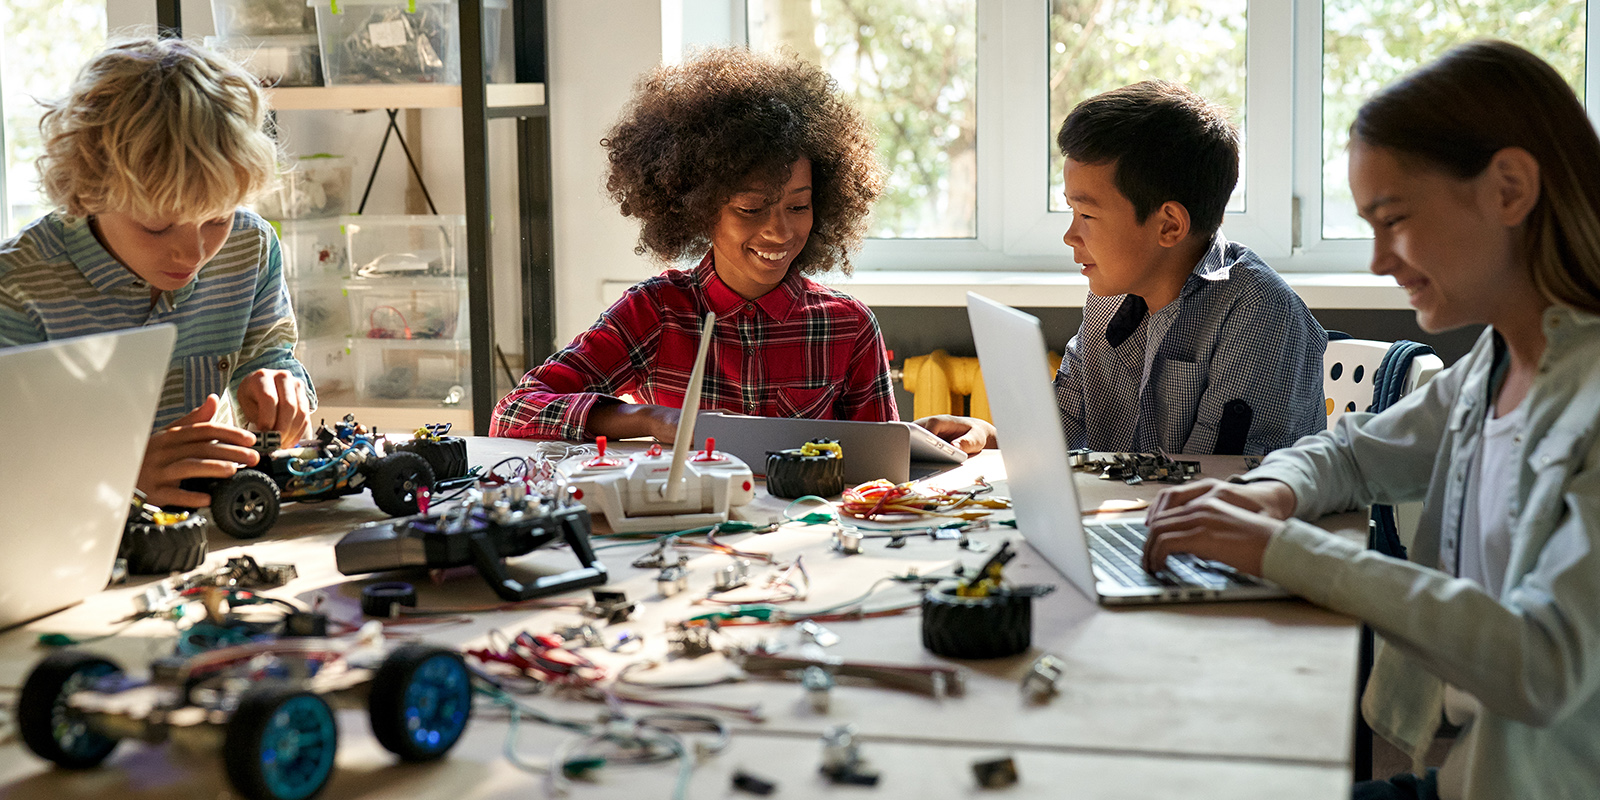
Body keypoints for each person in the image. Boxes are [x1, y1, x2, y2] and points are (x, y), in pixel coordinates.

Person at [1141, 41, 1600, 800]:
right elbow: (1352, 453)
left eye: (1394, 219)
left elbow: (1542, 664)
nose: (1378, 261)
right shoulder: (1494, 365)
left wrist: (1283, 551)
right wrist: (1272, 494)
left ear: (1509, 188)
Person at [490, 47, 895, 442]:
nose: (781, 231)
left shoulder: (849, 327)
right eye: (751, 208)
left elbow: (885, 469)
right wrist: (651, 418)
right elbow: (515, 411)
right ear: (699, 208)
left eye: (798, 205)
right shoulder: (656, 312)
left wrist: (923, 439)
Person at [920, 81, 1325, 455]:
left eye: (1087, 215)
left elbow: (1217, 487)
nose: (1070, 235)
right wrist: (992, 437)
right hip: (1133, 518)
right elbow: (1061, 431)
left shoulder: (1260, 315)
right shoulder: (1108, 298)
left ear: (1169, 225)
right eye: (1071, 211)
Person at [0, 37, 314, 509]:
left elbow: (269, 356)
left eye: (217, 218)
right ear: (89, 188)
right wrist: (120, 479)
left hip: (213, 530)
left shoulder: (249, 246)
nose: (193, 253)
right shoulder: (17, 286)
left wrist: (278, 386)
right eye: (157, 225)